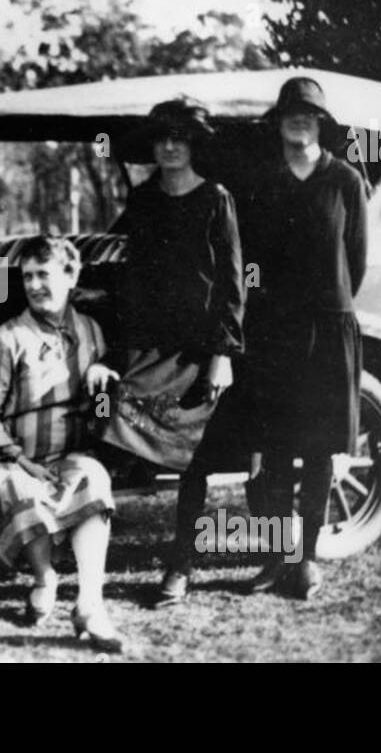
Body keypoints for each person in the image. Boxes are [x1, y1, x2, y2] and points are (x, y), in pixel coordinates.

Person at [86, 98, 245, 606]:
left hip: (197, 351)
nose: (171, 146)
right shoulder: (143, 199)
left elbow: (232, 282)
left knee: (191, 462)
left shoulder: (216, 198)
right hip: (145, 347)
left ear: (194, 143)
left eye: (180, 137)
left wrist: (222, 353)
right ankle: (80, 547)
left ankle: (181, 566)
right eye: (162, 138)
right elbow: (113, 255)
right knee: (106, 432)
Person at [229, 75, 368, 600]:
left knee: (316, 452)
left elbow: (353, 259)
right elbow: (251, 260)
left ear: (322, 123)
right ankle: (272, 560)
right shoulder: (262, 181)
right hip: (273, 332)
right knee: (272, 451)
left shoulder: (345, 181)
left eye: (309, 114)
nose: (300, 121)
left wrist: (326, 304)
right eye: (291, 113)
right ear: (279, 121)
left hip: (328, 331)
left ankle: (305, 560)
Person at [0, 235, 123, 653]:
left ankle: (90, 603)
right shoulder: (8, 338)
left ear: (72, 276)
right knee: (26, 491)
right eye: (28, 276)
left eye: (44, 274)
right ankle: (44, 577)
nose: (35, 285)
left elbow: (105, 412)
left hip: (67, 455)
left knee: (94, 479)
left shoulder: (90, 331)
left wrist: (102, 380)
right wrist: (21, 459)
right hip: (9, 458)